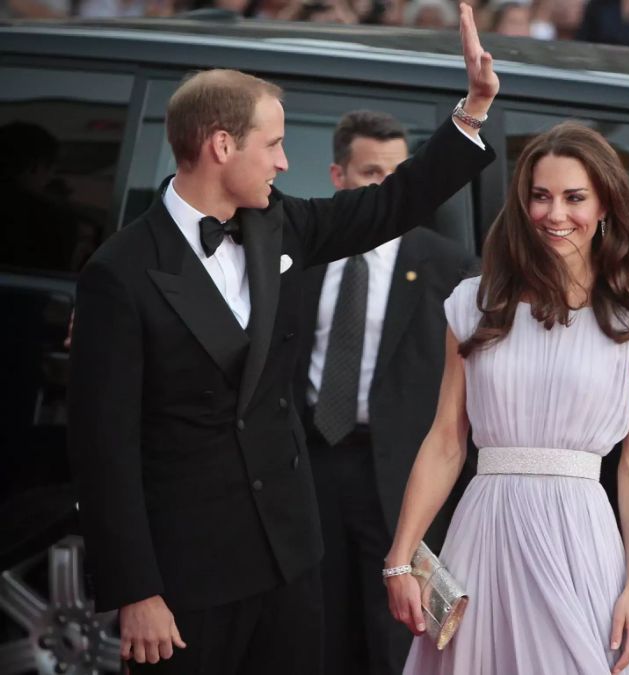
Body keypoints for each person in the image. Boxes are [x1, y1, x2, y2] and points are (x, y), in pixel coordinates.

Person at [66, 5, 498, 673]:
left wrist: (468, 115)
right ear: (220, 145)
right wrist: (136, 589)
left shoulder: (277, 225)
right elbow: (105, 451)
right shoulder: (119, 273)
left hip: (290, 556)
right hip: (187, 576)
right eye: (273, 144)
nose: (285, 160)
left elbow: (387, 206)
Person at [385, 122, 629, 675]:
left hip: (581, 540)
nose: (556, 214)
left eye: (574, 198)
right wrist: (402, 556)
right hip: (484, 535)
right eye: (540, 197)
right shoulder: (474, 303)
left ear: (605, 205)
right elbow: (447, 440)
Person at [295, 110, 478, 675]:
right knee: (316, 621)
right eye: (372, 173)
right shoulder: (298, 254)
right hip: (310, 465)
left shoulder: (449, 266)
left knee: (393, 629)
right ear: (337, 176)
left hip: (398, 472)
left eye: (398, 174)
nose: (387, 187)